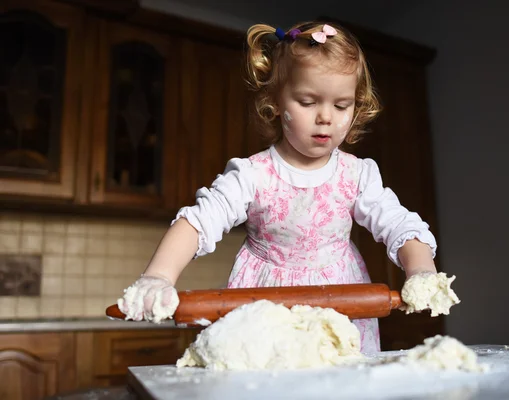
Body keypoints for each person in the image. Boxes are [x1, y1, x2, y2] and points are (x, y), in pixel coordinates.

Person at [118, 21, 438, 354]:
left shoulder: (357, 175)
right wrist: (158, 277)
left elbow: (401, 225)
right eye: (308, 101)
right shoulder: (251, 175)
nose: (326, 117)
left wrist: (421, 272)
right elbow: (196, 224)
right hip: (264, 311)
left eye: (341, 105)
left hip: (342, 308)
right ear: (276, 101)